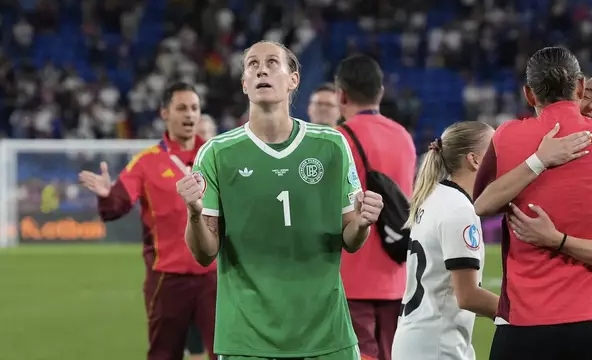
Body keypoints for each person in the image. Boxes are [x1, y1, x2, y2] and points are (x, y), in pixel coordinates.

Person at [176, 40, 385, 360]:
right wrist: (193, 212)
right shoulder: (217, 153)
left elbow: (352, 239)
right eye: (252, 65)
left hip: (326, 336)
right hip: (246, 340)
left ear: (293, 80)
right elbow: (204, 254)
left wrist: (362, 221)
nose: (261, 69)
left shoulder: (331, 146)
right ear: (245, 84)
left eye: (273, 62)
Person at [473, 47, 592, 360]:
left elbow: (480, 205)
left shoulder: (507, 136)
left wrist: (537, 161)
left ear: (529, 95)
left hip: (527, 321)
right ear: (578, 87)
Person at [78, 82, 217, 360]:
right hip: (166, 279)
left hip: (215, 277)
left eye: (194, 108)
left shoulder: (216, 156)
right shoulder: (146, 162)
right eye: (181, 108)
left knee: (226, 354)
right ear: (164, 113)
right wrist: (107, 195)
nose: (189, 115)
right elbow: (116, 206)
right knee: (163, 354)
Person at [391, 121, 499, 360]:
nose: (502, 155)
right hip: (436, 344)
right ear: (475, 159)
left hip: (416, 338)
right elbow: (468, 295)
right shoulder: (459, 209)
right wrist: (520, 314)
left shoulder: (435, 196)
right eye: (495, 148)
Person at [335, 54, 416, 360]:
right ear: (380, 92)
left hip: (352, 275)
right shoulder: (403, 137)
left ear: (341, 94)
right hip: (397, 273)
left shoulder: (338, 140)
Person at [185, 114, 218, 360]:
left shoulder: (226, 168)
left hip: (220, 273)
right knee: (194, 341)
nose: (203, 136)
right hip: (189, 270)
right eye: (200, 131)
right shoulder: (183, 171)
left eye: (208, 131)